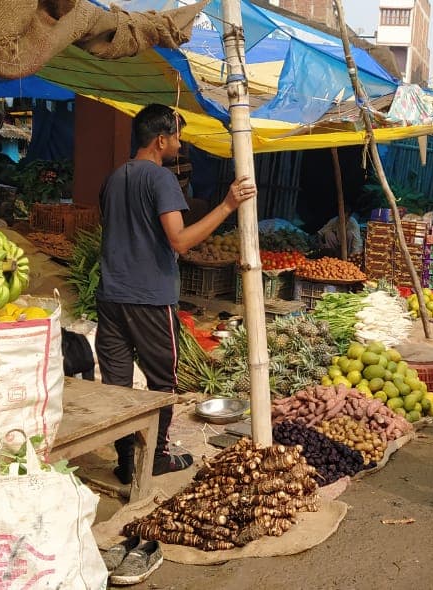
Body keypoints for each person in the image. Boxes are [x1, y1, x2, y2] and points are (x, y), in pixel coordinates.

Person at [97, 104, 256, 487]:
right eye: (178, 138)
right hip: (149, 297)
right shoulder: (161, 179)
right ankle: (157, 456)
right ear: (161, 140)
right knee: (161, 381)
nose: (180, 145)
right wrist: (227, 205)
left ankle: (126, 460)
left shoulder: (115, 177)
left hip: (111, 294)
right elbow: (180, 241)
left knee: (117, 382)